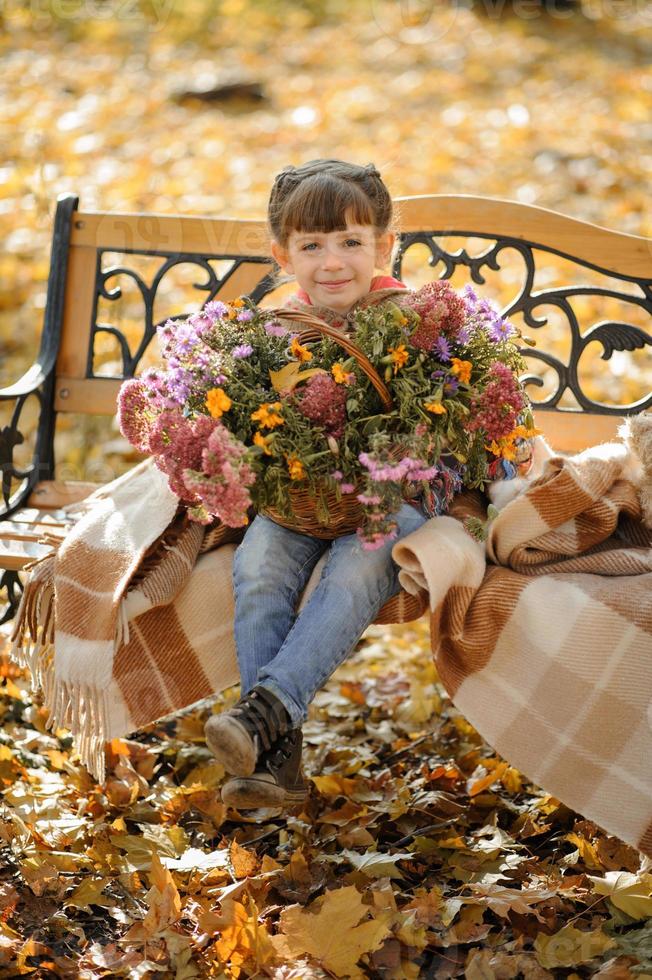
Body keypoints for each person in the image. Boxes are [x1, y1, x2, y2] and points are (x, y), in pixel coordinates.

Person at [204, 159, 532, 812]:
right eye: (312, 245)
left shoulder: (417, 324)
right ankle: (276, 765)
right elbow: (249, 431)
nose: (333, 262)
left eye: (351, 242)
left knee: (360, 567)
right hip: (302, 502)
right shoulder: (273, 335)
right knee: (261, 565)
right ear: (283, 255)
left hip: (393, 501)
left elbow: (477, 422)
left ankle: (263, 717)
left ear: (385, 246)